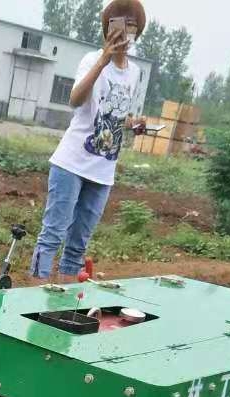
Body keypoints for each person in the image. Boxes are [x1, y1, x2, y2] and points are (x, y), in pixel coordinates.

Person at [29, 0, 146, 282]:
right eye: (118, 23)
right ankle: (30, 305)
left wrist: (134, 124)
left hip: (103, 170)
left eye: (131, 25)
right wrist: (103, 60)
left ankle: (62, 310)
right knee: (53, 235)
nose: (125, 30)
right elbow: (75, 100)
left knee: (78, 246)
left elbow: (114, 114)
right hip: (71, 163)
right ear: (107, 28)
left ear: (137, 31)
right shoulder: (91, 59)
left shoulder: (135, 72)